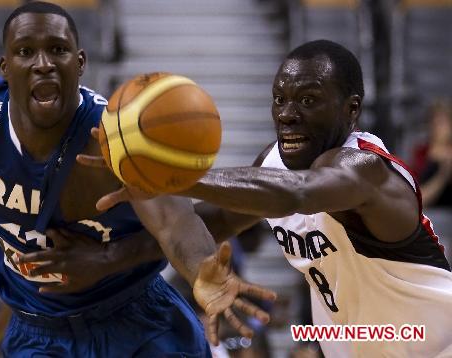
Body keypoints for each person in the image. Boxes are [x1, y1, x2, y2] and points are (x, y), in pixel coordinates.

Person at [0, 2, 275, 356]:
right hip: (37, 331)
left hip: (136, 323)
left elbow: (174, 220)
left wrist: (202, 267)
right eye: (25, 52)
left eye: (58, 50)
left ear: (80, 62)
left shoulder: (110, 139)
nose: (42, 64)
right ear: (5, 65)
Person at [80, 40, 452, 356]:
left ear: (351, 109)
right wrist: (100, 260)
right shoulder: (273, 162)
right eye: (280, 99)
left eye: (308, 100)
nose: (287, 115)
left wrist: (167, 176)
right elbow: (207, 224)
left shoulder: (364, 167)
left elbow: (299, 193)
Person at [411, 99, 452, 207]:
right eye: (433, 122)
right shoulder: (421, 152)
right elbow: (418, 197)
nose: (436, 127)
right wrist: (442, 174)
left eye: (441, 122)